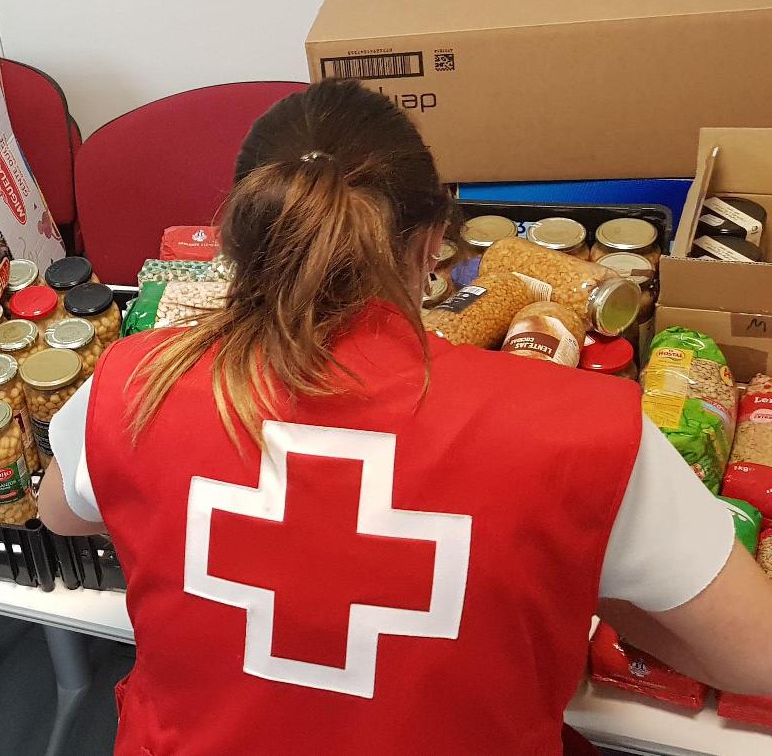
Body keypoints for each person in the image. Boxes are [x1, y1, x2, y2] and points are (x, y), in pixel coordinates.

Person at [38, 78, 772, 755]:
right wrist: (575, 574)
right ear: (432, 244)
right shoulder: (576, 430)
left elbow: (61, 513)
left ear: (238, 242)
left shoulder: (134, 380)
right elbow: (755, 655)